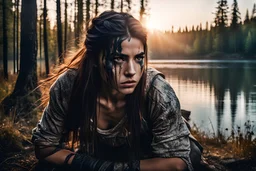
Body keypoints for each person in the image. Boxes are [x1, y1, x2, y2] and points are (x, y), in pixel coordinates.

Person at [32, 11, 202, 171]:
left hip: (152, 154)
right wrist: (92, 164)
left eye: (138, 58)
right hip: (104, 153)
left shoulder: (157, 91)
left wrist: (108, 168)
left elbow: (177, 163)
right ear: (94, 59)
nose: (131, 71)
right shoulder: (70, 86)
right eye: (118, 58)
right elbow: (44, 147)